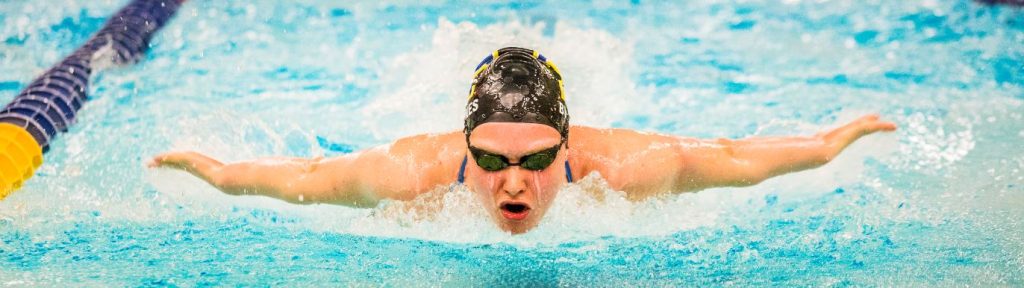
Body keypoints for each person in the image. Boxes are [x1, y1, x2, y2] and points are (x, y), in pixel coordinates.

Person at [150, 47, 897, 234]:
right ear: (464, 149)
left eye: (539, 160)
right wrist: (214, 172)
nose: (516, 183)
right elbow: (306, 177)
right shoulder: (413, 175)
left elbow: (730, 158)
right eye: (494, 161)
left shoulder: (624, 169)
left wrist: (829, 146)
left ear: (566, 149)